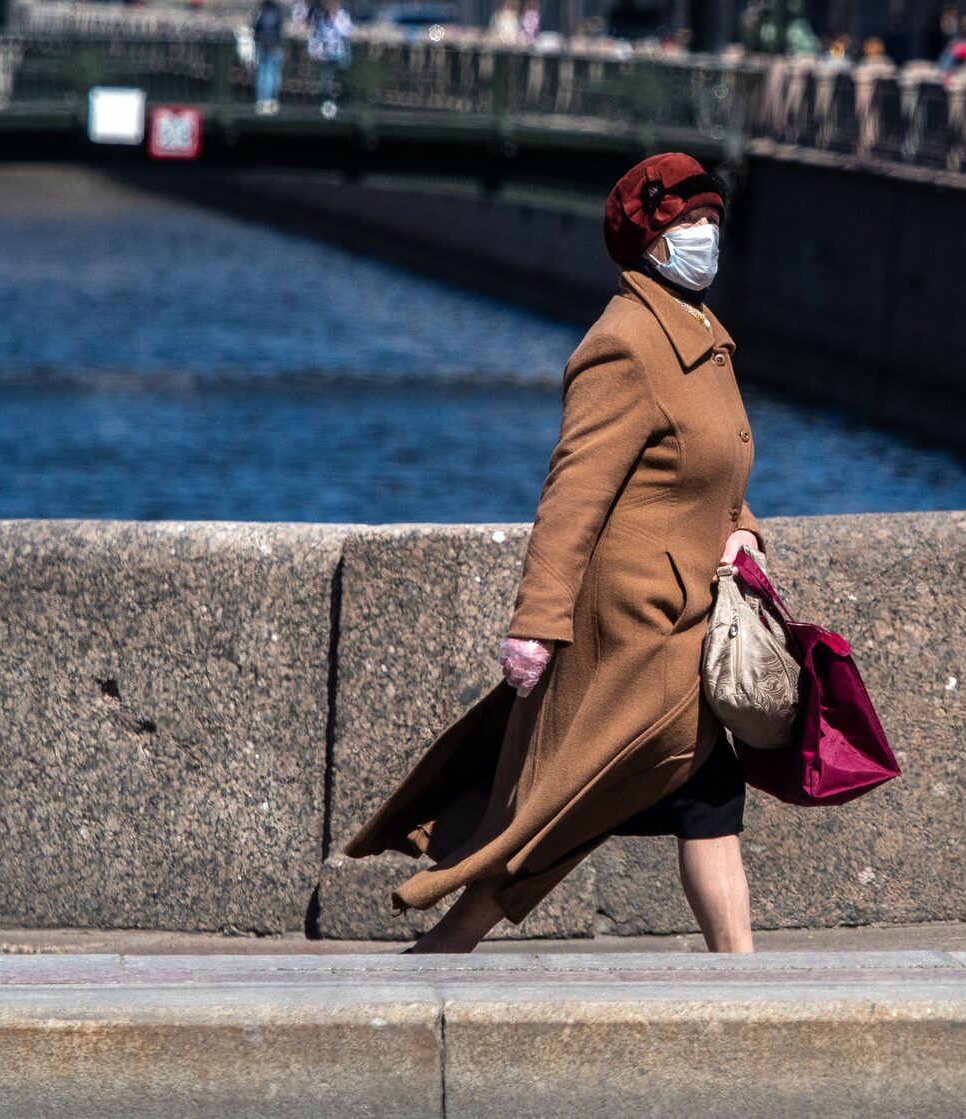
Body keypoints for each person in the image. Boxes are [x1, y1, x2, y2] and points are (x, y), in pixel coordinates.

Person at [343, 153, 766, 955]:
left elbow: (712, 466)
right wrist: (536, 624)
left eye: (712, 220)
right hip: (634, 631)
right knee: (592, 802)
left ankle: (738, 976)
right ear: (649, 239)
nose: (705, 234)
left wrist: (744, 526)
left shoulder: (701, 334)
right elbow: (572, 494)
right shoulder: (626, 344)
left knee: (696, 796)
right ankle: (446, 945)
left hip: (682, 621)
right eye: (688, 222)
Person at [306, 0, 352, 119]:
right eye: (329, 6)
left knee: (344, 79)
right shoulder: (320, 17)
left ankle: (344, 101)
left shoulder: (343, 16)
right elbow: (315, 35)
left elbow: (347, 33)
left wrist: (335, 21)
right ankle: (326, 103)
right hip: (326, 54)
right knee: (326, 79)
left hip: (341, 53)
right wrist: (314, 50)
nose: (331, 8)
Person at [251, 0, 285, 115]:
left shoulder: (261, 10)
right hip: (273, 43)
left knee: (263, 72)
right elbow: (279, 27)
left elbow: (255, 26)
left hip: (263, 43)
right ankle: (269, 100)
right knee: (271, 73)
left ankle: (262, 100)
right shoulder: (277, 11)